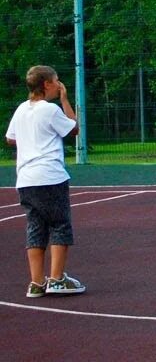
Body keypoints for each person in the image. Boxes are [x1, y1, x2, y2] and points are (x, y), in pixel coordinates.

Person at [5, 65, 86, 297]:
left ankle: (36, 282)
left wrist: (31, 140)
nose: (59, 84)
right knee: (60, 225)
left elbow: (10, 139)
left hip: (26, 180)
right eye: (57, 80)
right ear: (47, 84)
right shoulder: (49, 110)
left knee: (35, 227)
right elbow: (74, 128)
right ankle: (57, 279)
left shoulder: (21, 109)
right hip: (49, 177)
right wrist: (65, 101)